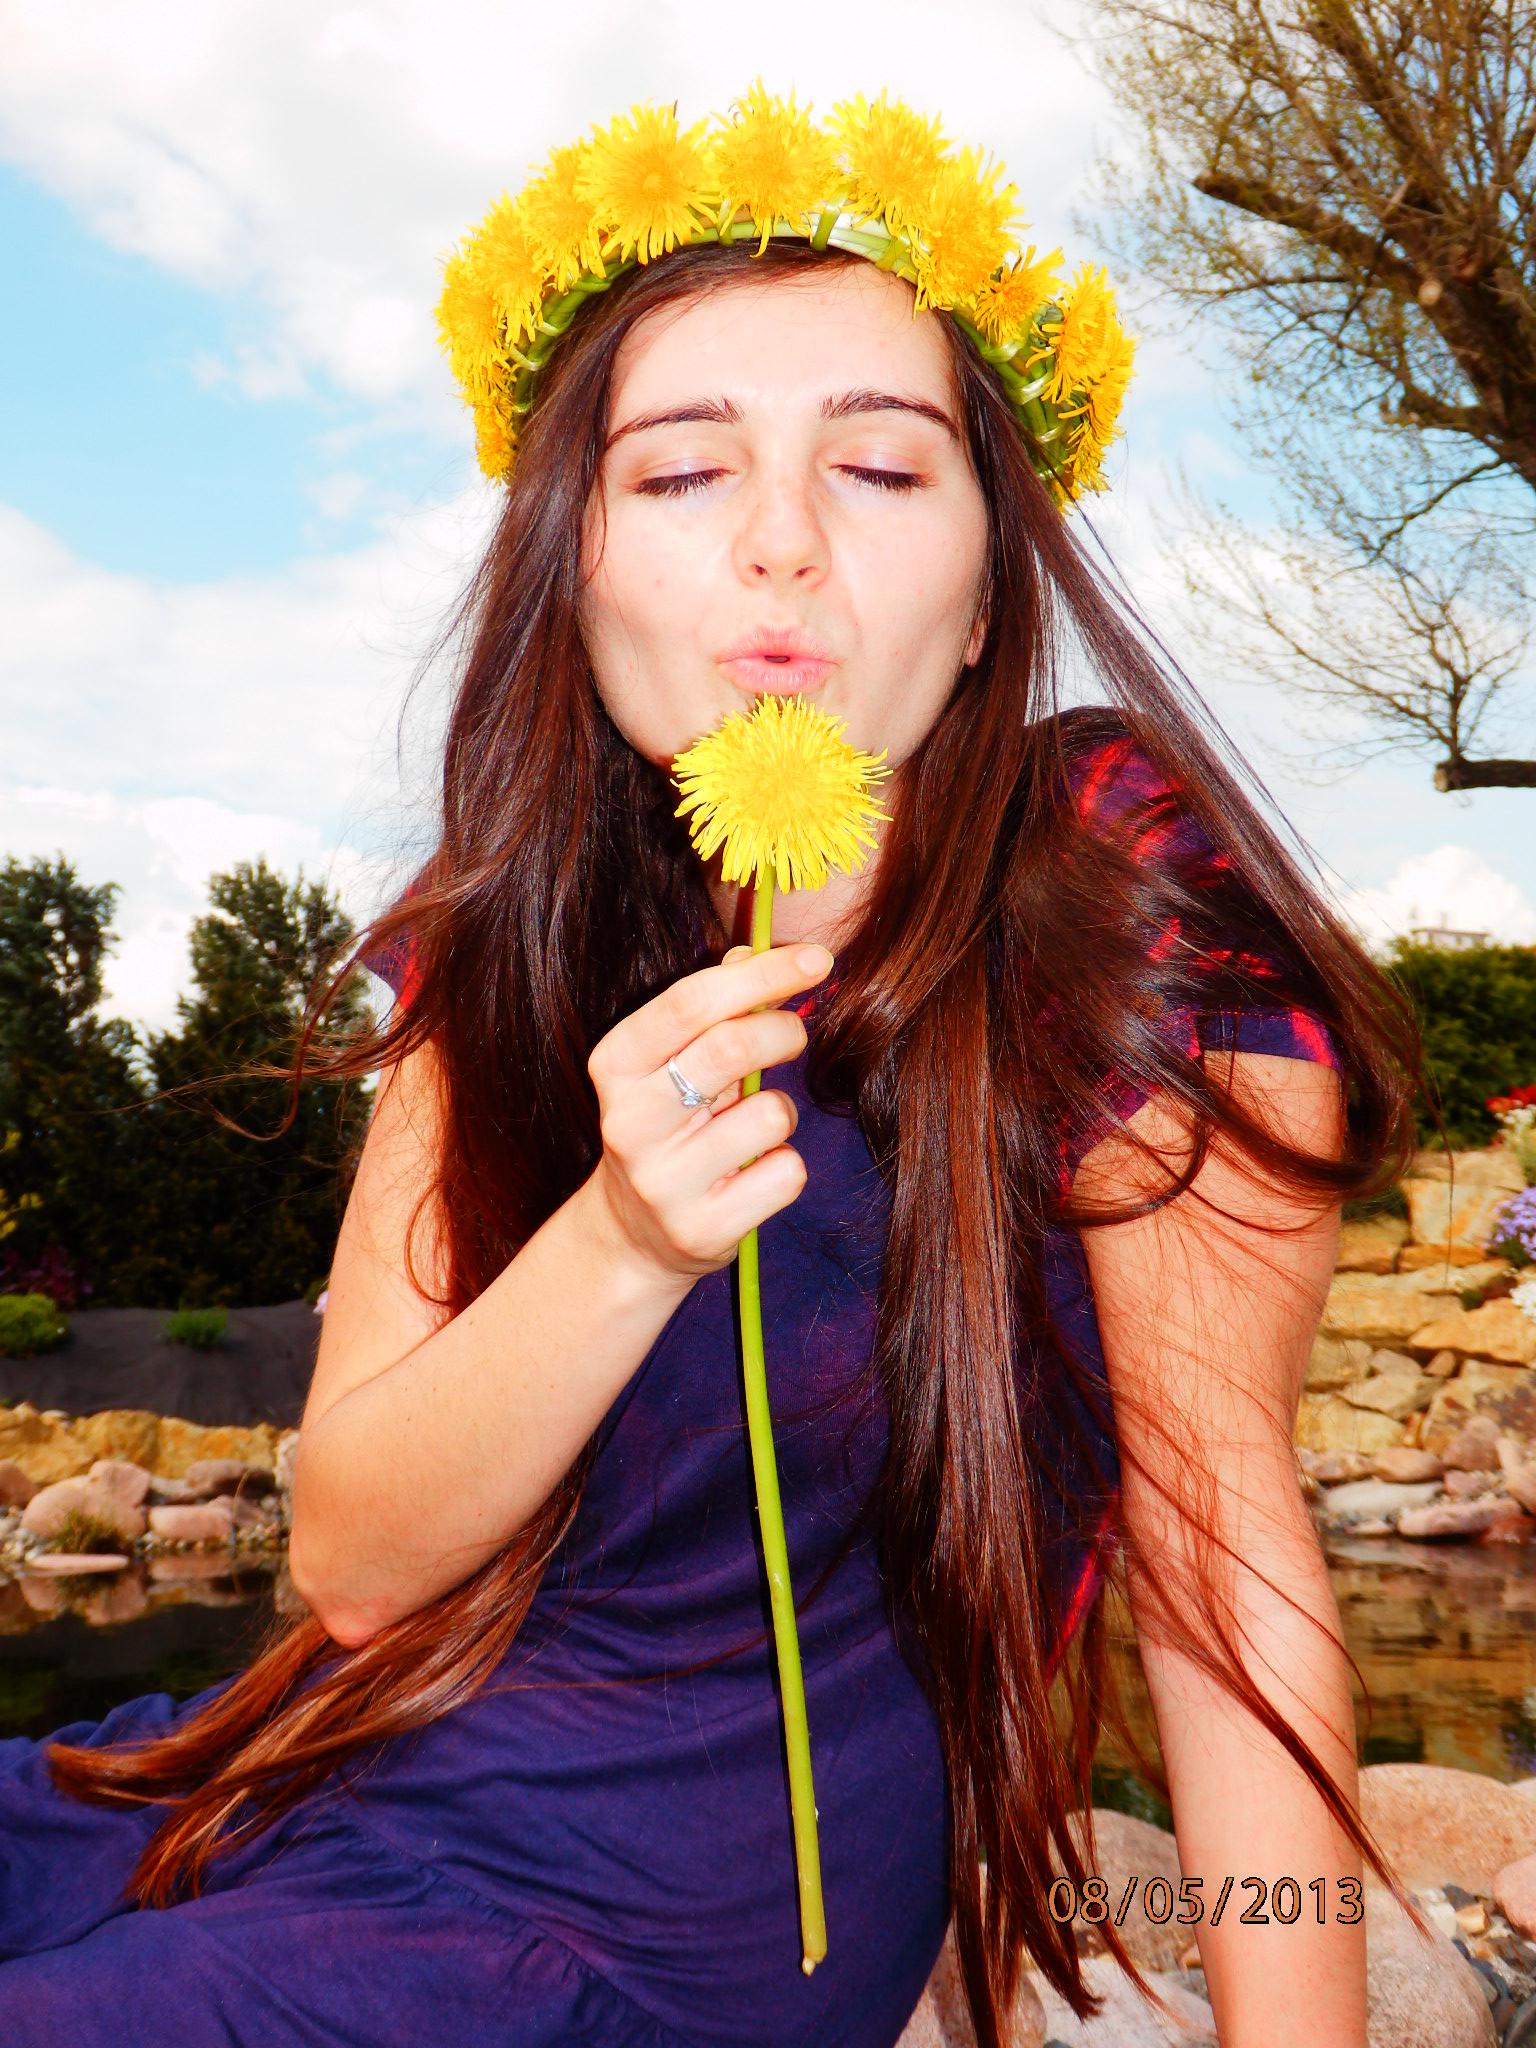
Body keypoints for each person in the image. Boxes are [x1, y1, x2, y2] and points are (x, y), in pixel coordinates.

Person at [2, 85, 1434, 2048]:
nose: (781, 545)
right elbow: (350, 1556)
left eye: (882, 466)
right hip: (295, 1770)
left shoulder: (1115, 896)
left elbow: (1227, 1581)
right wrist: (621, 1237)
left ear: (990, 591)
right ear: (571, 575)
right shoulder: (500, 944)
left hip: (653, 1925)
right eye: (682, 473)